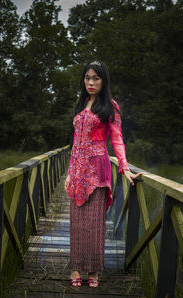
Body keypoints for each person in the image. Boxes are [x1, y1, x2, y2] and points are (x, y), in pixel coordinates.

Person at [64, 60, 142, 288]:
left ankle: (93, 271)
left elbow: (117, 139)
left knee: (94, 222)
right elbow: (75, 142)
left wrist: (124, 167)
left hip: (97, 168)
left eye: (95, 78)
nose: (90, 82)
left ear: (103, 81)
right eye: (87, 78)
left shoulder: (111, 106)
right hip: (77, 170)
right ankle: (76, 268)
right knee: (77, 223)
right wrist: (69, 172)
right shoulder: (81, 104)